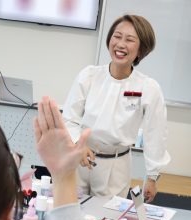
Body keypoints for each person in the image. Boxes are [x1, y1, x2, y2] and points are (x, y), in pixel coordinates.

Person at [63, 14, 170, 201]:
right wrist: (78, 143)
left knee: (105, 216)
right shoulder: (89, 76)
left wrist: (152, 176)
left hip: (116, 165)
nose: (120, 44)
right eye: (117, 36)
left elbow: (156, 134)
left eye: (129, 40)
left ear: (141, 49)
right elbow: (70, 118)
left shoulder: (148, 88)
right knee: (70, 210)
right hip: (80, 157)